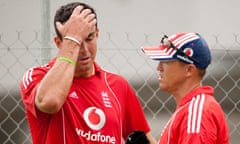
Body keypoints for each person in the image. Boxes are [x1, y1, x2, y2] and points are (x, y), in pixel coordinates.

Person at [19, 2, 156, 144]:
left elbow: (145, 138)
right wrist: (72, 40)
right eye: (77, 42)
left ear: (97, 34)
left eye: (89, 38)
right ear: (59, 43)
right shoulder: (38, 76)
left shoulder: (118, 85)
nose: (83, 49)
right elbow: (50, 101)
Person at [142, 32, 229, 144]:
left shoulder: (197, 112)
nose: (159, 68)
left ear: (189, 70)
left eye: (165, 61)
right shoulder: (192, 108)